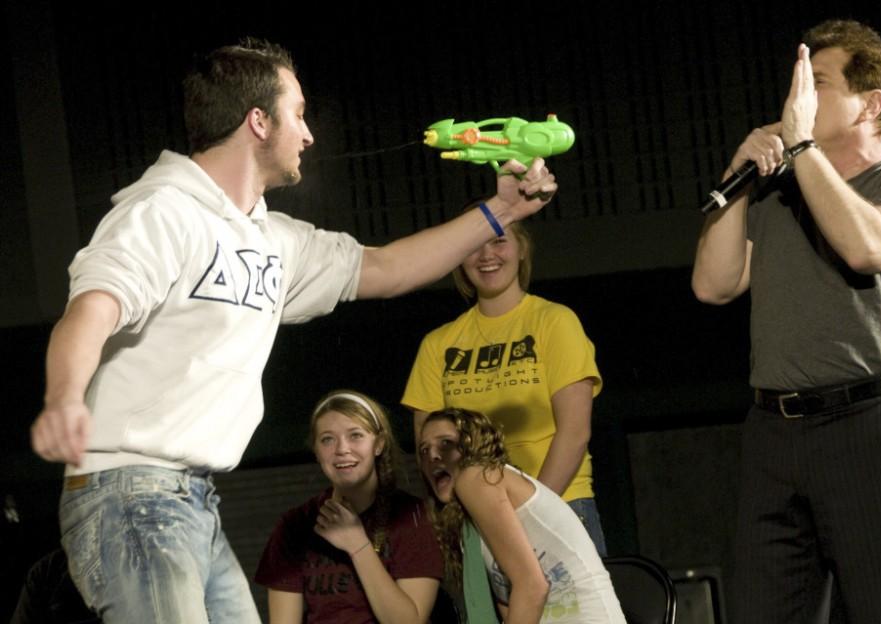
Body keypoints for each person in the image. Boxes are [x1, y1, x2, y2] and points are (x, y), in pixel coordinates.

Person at [28, 38, 556, 623]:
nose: (308, 135)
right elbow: (92, 309)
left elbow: (385, 268)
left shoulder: (272, 240)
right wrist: (63, 399)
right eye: (298, 114)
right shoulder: (163, 211)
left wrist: (500, 212)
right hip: (129, 493)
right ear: (258, 121)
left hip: (192, 500)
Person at [691, 20, 881, 624]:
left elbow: (870, 247)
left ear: (873, 103)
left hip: (874, 427)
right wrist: (737, 179)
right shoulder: (778, 191)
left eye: (820, 83)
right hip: (774, 433)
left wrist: (804, 148)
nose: (797, 98)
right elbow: (714, 283)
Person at [402, 217, 606, 553]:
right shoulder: (437, 344)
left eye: (498, 241)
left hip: (559, 506)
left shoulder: (555, 321)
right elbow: (431, 451)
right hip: (478, 517)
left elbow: (574, 432)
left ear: (522, 248)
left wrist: (529, 512)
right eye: (474, 244)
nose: (486, 254)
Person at [418, 407, 625, 623]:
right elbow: (509, 601)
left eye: (446, 443)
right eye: (424, 450)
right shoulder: (468, 520)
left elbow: (533, 586)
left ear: (472, 445)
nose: (432, 456)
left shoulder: (477, 477)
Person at [255, 390, 443, 623]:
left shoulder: (412, 516)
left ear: (379, 444)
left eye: (355, 436)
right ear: (316, 450)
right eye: (327, 439)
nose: (342, 449)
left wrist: (357, 544)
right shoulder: (295, 525)